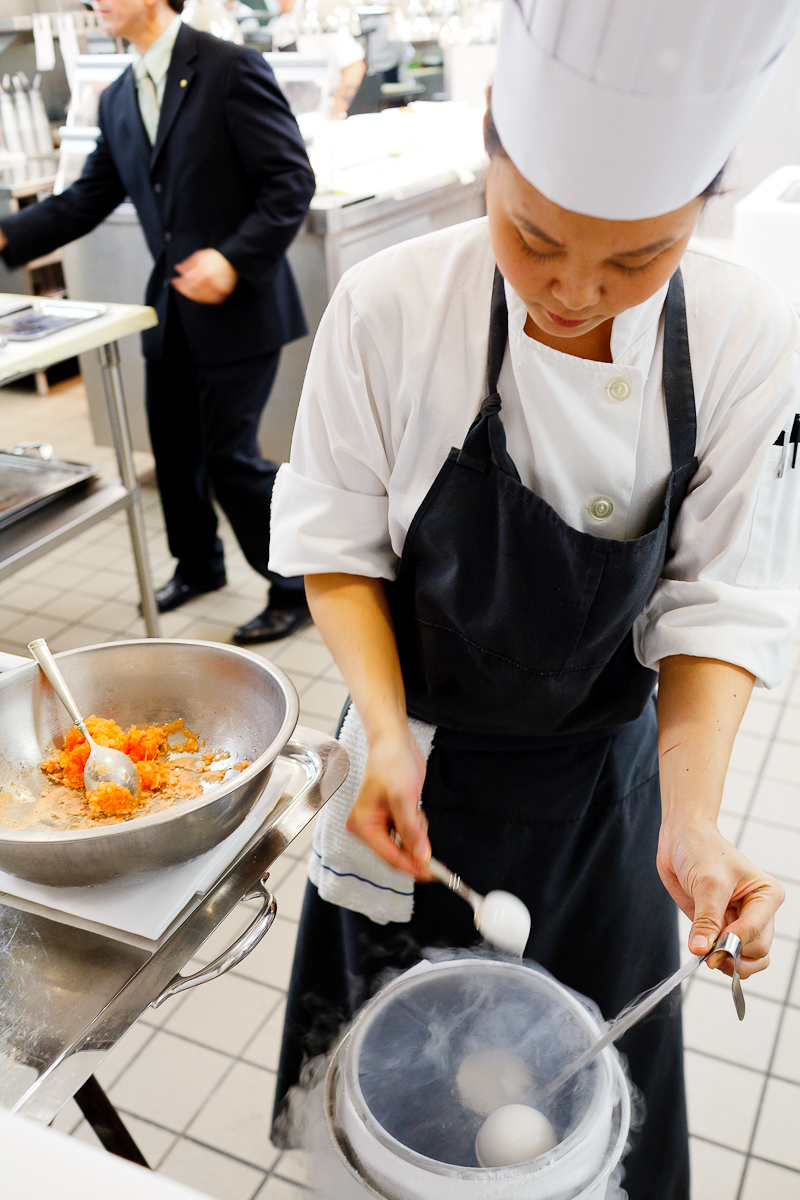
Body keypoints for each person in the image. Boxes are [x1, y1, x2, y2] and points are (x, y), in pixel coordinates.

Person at [267, 1, 800, 1197]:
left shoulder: (740, 335)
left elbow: (715, 601)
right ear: (493, 138)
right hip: (411, 773)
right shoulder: (392, 306)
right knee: (385, 1120)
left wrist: (696, 821)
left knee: (587, 1131)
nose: (572, 291)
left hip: (603, 800)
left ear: (700, 210)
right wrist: (384, 728)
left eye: (635, 259)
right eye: (533, 236)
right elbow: (337, 544)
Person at [0, 0, 316, 644]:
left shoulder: (229, 67)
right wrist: (7, 237)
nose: (96, 4)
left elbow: (289, 180)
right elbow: (87, 197)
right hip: (171, 307)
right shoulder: (119, 94)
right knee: (173, 450)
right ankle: (198, 564)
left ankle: (297, 585)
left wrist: (231, 258)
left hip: (240, 308)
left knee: (230, 457)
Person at [270, 0, 365, 119]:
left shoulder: (318, 15)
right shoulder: (280, 22)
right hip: (290, 115)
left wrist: (335, 112)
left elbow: (354, 66)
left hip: (322, 117)